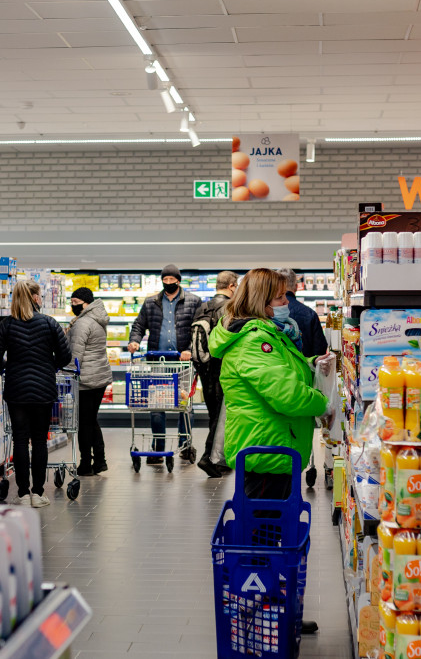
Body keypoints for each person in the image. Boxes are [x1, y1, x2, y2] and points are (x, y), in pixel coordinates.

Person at [208, 268, 329, 635]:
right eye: (279, 298)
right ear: (261, 302)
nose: (285, 303)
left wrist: (312, 367)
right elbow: (285, 393)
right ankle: (253, 619)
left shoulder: (269, 334)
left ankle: (274, 610)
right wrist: (322, 402)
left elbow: (286, 375)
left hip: (277, 449)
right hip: (265, 452)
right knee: (260, 540)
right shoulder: (252, 341)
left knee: (273, 538)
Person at [0, 278, 72, 508]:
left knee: (20, 441)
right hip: (43, 390)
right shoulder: (49, 323)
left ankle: (23, 494)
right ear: (35, 298)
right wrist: (47, 364)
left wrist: (9, 366)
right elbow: (65, 357)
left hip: (16, 390)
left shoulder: (6, 325)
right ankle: (38, 494)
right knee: (39, 441)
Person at [127, 264, 202, 464]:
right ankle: (158, 449)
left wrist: (191, 351)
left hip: (183, 362)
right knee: (157, 405)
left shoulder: (194, 301)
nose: (168, 283)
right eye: (165, 280)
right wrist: (134, 340)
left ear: (179, 280)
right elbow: (139, 325)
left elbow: (200, 330)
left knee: (185, 405)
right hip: (158, 361)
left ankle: (185, 445)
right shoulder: (151, 302)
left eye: (172, 280)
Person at [190, 270, 238, 478]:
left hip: (204, 369)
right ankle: (209, 457)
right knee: (221, 416)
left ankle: (218, 459)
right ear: (232, 286)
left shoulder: (203, 307)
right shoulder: (229, 308)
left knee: (214, 414)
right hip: (221, 369)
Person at [67, 287, 112, 476]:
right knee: (91, 419)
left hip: (86, 379)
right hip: (99, 377)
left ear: (86, 303)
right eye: (72, 302)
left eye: (76, 303)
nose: (73, 306)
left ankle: (86, 463)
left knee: (84, 422)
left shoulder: (82, 323)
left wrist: (68, 376)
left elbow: (75, 356)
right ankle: (100, 460)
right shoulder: (97, 319)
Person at [277, 268, 328, 358]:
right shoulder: (310, 313)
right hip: (306, 368)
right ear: (296, 287)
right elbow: (320, 351)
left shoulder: (270, 312)